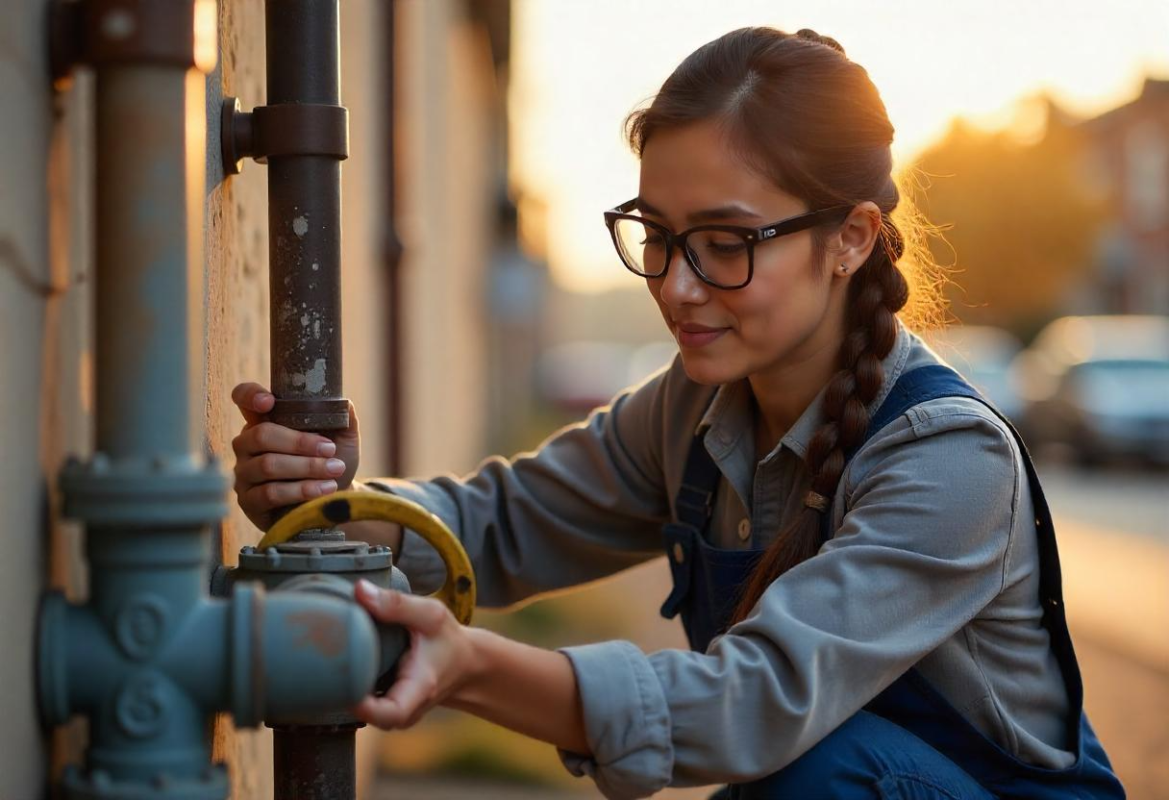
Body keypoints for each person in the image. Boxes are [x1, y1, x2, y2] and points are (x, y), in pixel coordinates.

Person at [230, 27, 1124, 800]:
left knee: (816, 766)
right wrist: (336, 506)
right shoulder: (692, 406)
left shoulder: (948, 459)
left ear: (850, 237)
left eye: (724, 243)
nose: (676, 285)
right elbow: (501, 522)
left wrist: (473, 669)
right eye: (656, 235)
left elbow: (755, 703)